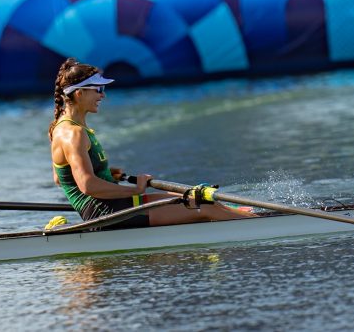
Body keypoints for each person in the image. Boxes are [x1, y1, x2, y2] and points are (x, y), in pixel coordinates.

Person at [48, 58, 252, 228]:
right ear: (79, 93)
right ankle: (265, 226)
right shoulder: (72, 133)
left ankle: (250, 219)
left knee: (196, 198)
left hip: (112, 205)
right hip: (106, 213)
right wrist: (134, 190)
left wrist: (106, 174)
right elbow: (87, 185)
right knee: (205, 207)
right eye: (98, 89)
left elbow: (60, 178)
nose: (103, 95)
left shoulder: (64, 127)